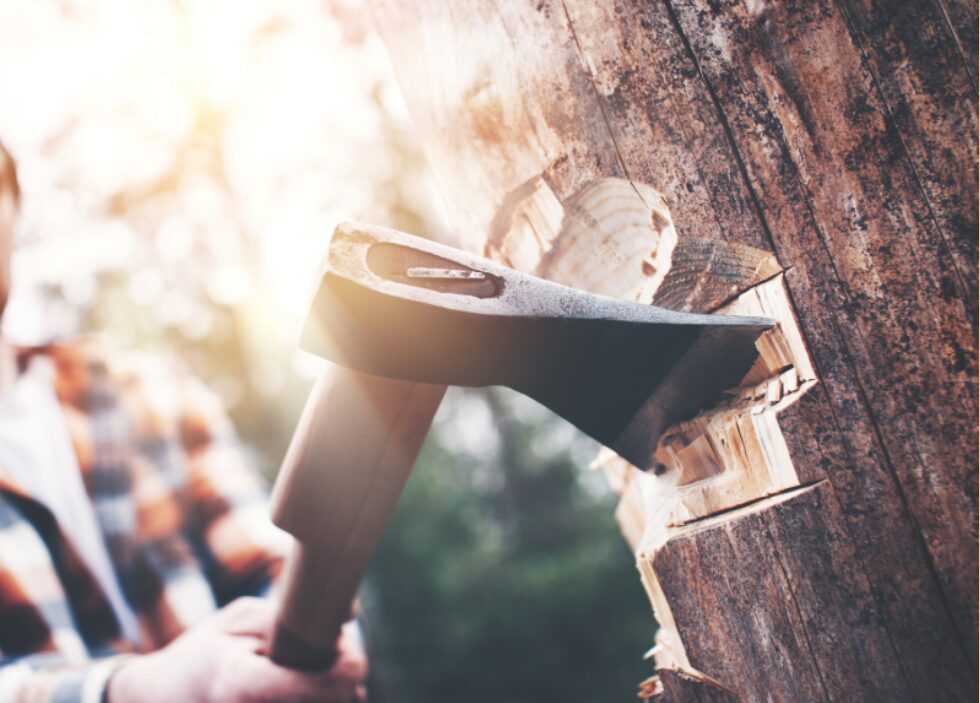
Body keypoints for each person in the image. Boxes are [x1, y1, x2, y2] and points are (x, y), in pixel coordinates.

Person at [0, 141, 367, 702]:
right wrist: (136, 691)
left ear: (12, 208)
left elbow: (268, 564)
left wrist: (299, 654)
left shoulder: (143, 390)